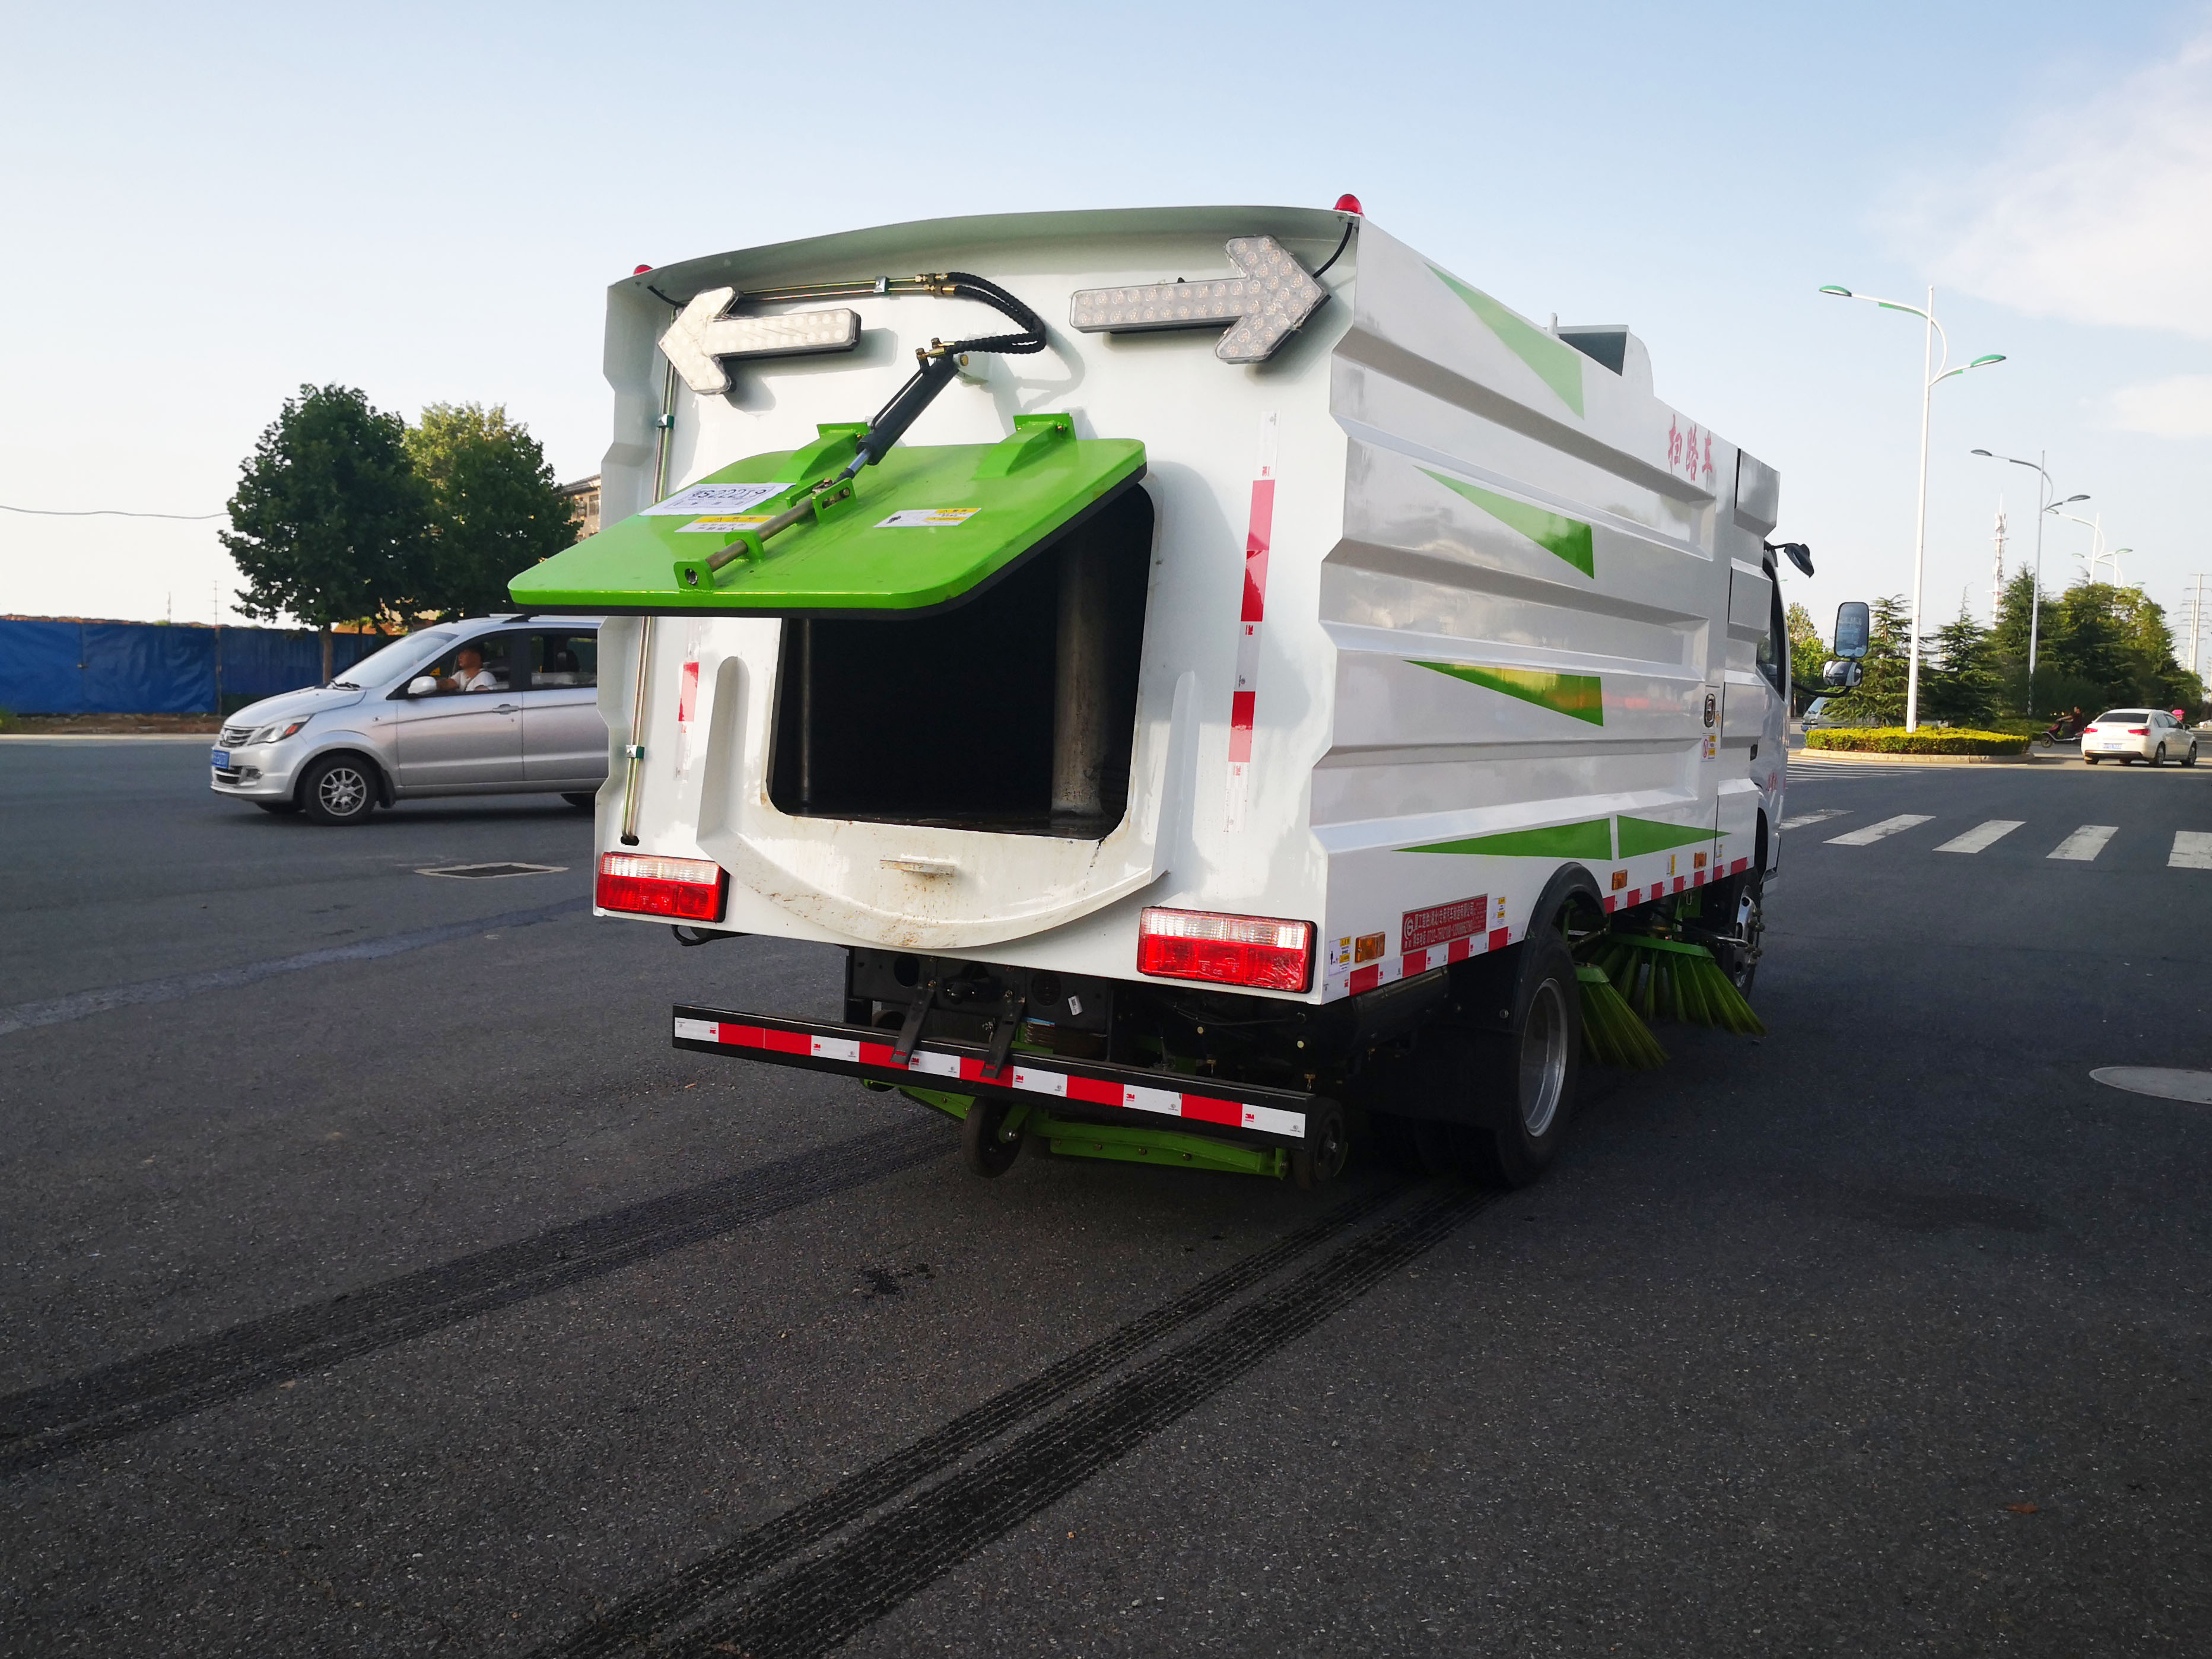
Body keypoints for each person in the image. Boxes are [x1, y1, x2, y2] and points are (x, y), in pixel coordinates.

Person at [433, 646, 498, 694]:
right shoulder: (461, 674)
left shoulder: (485, 677)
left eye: (464, 652)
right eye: (460, 653)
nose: (460, 657)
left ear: (477, 656)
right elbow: (447, 684)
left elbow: (479, 700)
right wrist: (432, 685)